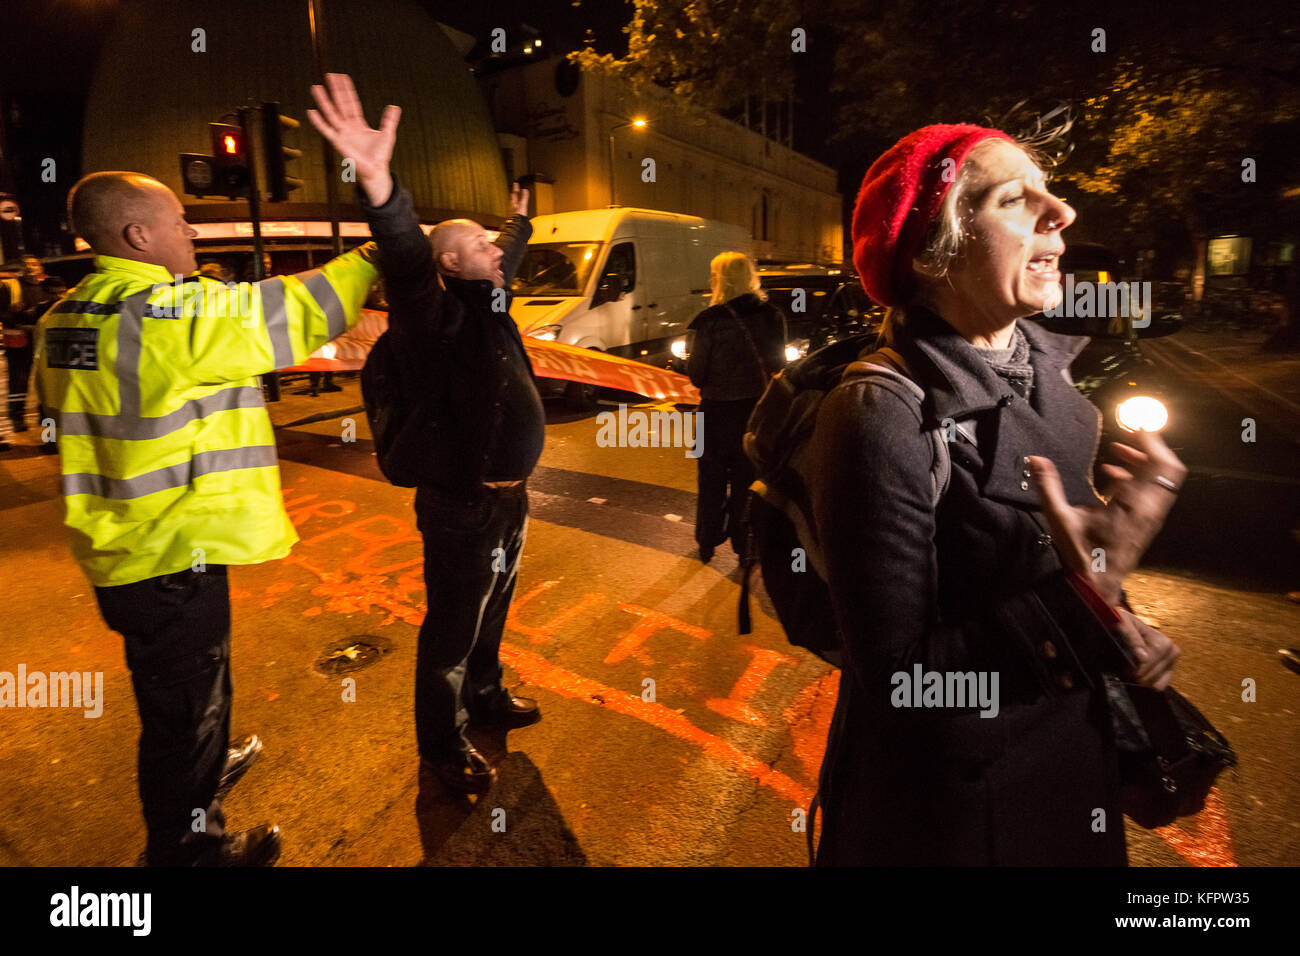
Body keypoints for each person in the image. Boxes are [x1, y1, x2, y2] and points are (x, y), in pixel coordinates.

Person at [808, 124, 1187, 865]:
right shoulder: (878, 413)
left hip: (1069, 785)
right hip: (958, 824)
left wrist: (1123, 629)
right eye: (1017, 198)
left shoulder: (1053, 380)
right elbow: (902, 685)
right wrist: (1089, 599)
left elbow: (1055, 576)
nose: (1062, 212)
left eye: (1049, 191)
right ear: (931, 251)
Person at [35, 168, 381, 866]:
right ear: (137, 235)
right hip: (170, 557)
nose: (191, 231)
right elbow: (292, 312)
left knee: (185, 700)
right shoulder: (165, 317)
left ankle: (201, 771)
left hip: (121, 552)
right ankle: (190, 848)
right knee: (182, 716)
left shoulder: (64, 316)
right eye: (177, 220)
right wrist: (377, 251)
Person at [309, 74, 543, 795]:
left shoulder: (488, 305)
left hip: (508, 500)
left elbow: (505, 256)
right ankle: (441, 747)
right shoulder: (433, 322)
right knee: (450, 629)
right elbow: (409, 264)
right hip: (463, 507)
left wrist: (517, 227)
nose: (494, 251)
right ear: (448, 263)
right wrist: (380, 189)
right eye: (478, 243)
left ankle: (487, 696)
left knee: (494, 608)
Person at [685, 252, 786, 562]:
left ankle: (707, 540)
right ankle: (745, 545)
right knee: (747, 479)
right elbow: (779, 365)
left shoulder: (707, 321)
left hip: (713, 414)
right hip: (755, 413)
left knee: (710, 479)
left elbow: (696, 375)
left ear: (721, 280)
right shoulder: (772, 316)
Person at [3, 254, 51, 431]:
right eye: (26, 264)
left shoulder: (47, 287)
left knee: (46, 382)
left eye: (33, 263)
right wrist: (17, 315)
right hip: (20, 344)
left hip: (42, 342)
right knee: (18, 384)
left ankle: (44, 418)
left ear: (40, 267)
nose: (30, 267)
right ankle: (16, 418)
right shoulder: (11, 287)